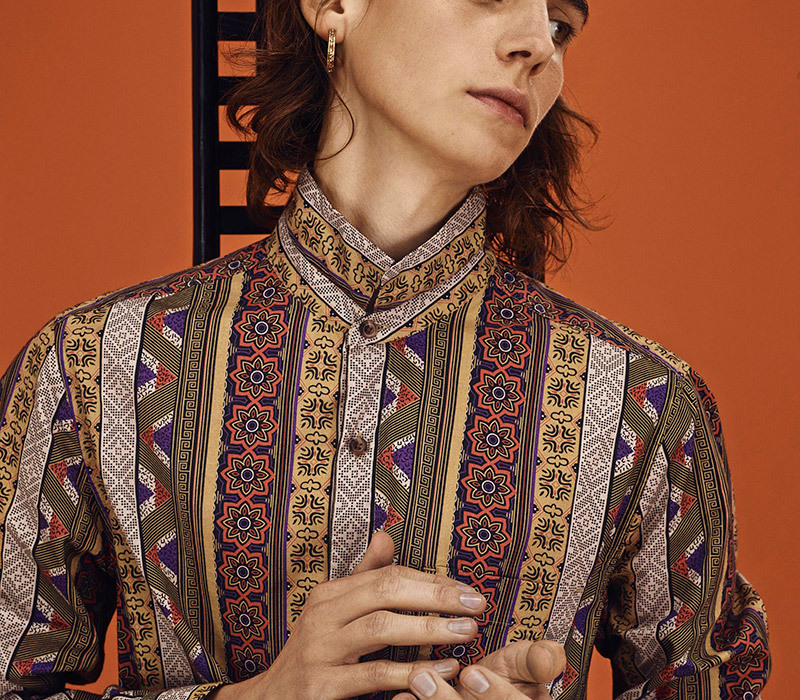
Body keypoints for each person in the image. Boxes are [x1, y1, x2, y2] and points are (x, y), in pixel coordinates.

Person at [0, 1, 770, 699]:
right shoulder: (91, 365)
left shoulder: (644, 402)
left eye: (561, 25)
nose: (540, 45)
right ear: (335, 6)